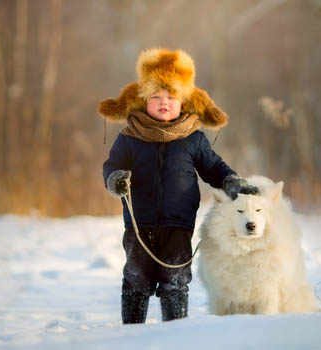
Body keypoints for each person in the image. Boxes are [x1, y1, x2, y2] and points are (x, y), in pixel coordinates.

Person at [98, 48, 258, 324]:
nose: (164, 103)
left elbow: (214, 168)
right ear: (143, 100)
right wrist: (116, 179)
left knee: (176, 278)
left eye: (171, 97)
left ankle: (175, 333)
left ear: (183, 102)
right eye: (156, 97)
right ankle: (132, 333)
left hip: (178, 224)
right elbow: (111, 166)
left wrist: (233, 183)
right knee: (137, 277)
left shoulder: (192, 139)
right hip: (139, 224)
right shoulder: (130, 137)